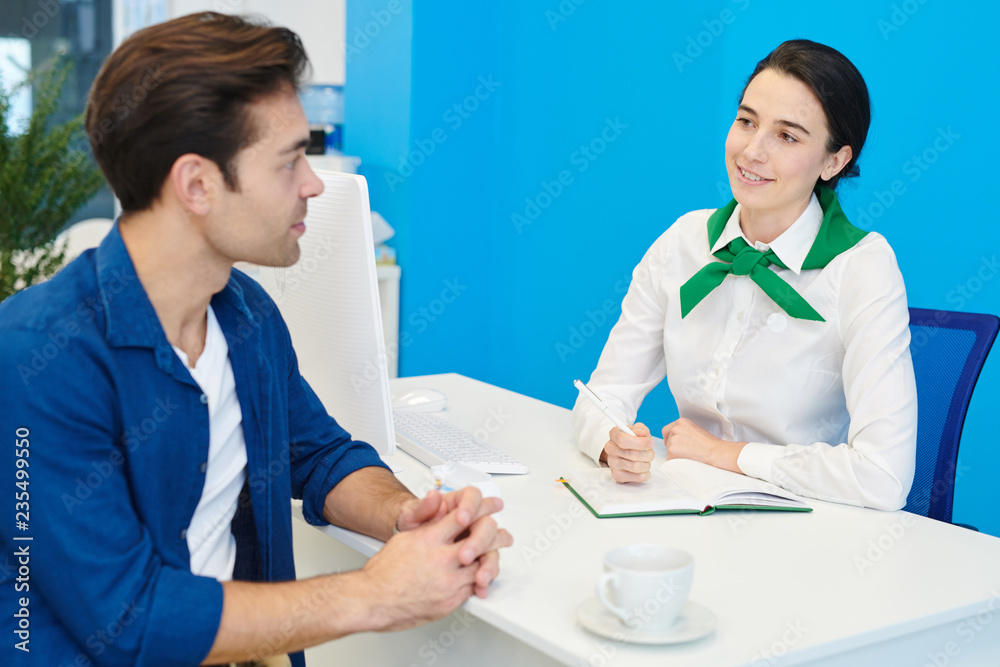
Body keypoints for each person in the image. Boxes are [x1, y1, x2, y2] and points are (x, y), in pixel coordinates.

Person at [0, 12, 511, 666]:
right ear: (197, 185)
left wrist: (412, 520)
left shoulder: (244, 313)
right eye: (290, 159)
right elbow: (131, 619)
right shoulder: (36, 357)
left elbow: (321, 455)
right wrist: (376, 594)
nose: (314, 184)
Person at [572, 40, 917, 512]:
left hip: (810, 527)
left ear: (833, 161)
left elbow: (883, 477)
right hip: (685, 510)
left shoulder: (861, 267)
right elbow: (603, 394)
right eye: (747, 121)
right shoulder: (683, 241)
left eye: (787, 136)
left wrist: (726, 455)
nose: (752, 151)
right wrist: (612, 442)